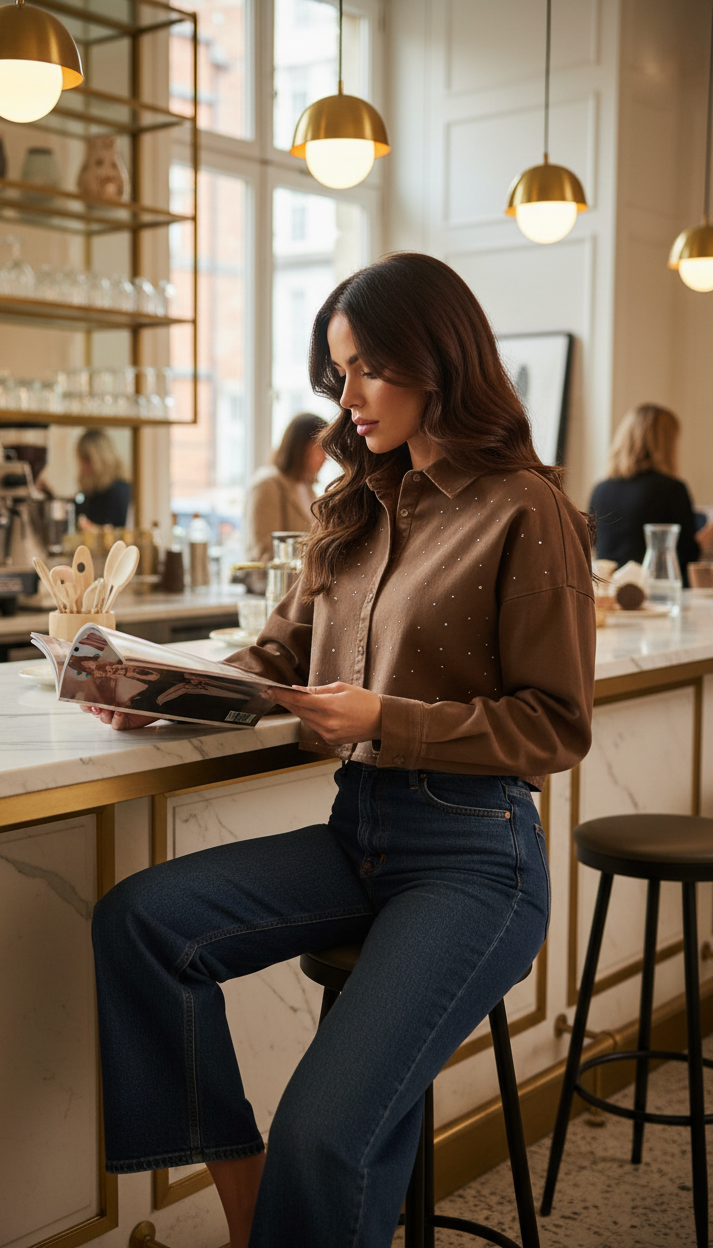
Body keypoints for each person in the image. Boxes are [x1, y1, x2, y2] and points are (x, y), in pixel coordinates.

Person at [87, 253, 596, 1248]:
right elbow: (274, 652)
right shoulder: (352, 508)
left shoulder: (522, 510)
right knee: (139, 922)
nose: (346, 397)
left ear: (435, 358)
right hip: (356, 835)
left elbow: (554, 723)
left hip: (473, 858)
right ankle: (245, 1201)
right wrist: (156, 692)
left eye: (367, 368)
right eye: (338, 372)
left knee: (325, 1136)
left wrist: (383, 719)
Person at [589, 403, 713, 584]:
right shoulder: (671, 488)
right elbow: (687, 555)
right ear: (666, 444)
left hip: (611, 590)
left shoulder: (600, 489)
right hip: (654, 593)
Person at [244, 412, 327, 562]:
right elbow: (264, 551)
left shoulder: (308, 490)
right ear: (303, 447)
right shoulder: (267, 485)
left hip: (299, 583)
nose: (326, 456)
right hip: (275, 583)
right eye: (321, 447)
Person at [73, 428, 131, 529]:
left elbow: (117, 532)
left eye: (87, 460)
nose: (83, 467)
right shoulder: (89, 493)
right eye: (81, 460)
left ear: (102, 458)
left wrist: (92, 529)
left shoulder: (119, 491)